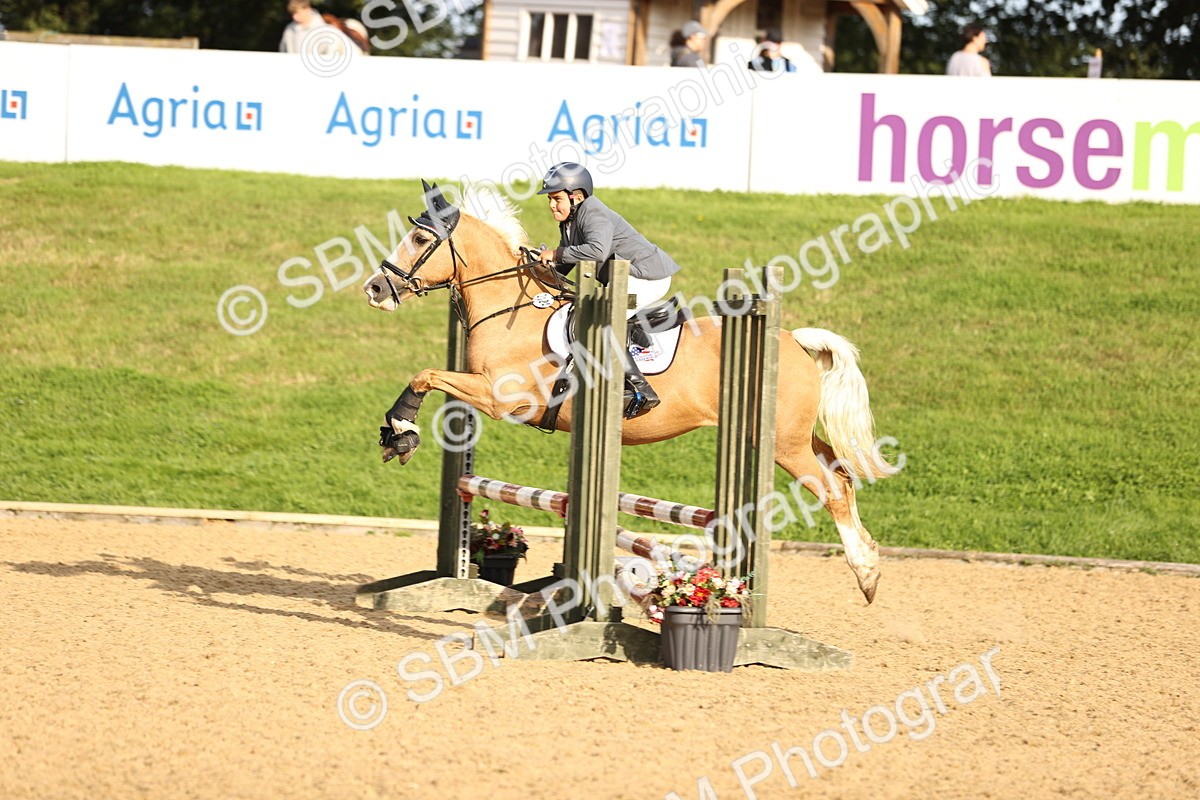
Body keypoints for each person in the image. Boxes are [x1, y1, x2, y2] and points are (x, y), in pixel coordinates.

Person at [535, 163, 682, 418]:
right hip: (626, 277)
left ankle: (641, 390)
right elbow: (566, 264)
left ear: (576, 196)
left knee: (604, 323)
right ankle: (636, 335)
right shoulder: (569, 221)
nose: (551, 205)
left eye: (556, 198)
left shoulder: (592, 212)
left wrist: (556, 253)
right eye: (550, 199)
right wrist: (539, 267)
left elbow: (596, 251)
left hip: (646, 276)